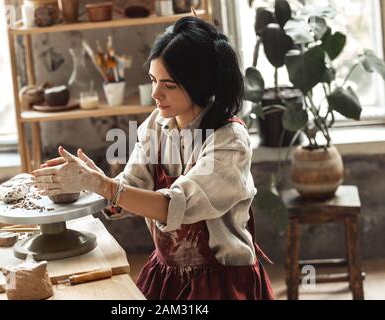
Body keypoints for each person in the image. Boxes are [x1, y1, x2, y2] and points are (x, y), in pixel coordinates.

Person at [32, 16, 275, 300]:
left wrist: (104, 186)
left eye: (169, 85)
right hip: (167, 271)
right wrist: (95, 182)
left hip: (222, 280)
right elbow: (131, 184)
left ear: (200, 84)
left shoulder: (229, 141)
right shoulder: (159, 123)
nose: (155, 93)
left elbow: (175, 206)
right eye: (153, 80)